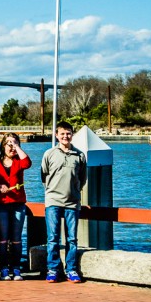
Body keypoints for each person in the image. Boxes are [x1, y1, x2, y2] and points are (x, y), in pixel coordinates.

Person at [40, 121, 86, 283]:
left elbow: (82, 178)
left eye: (68, 133)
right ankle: (53, 268)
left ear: (72, 135)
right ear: (56, 135)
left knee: (72, 239)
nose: (65, 136)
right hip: (53, 201)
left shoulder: (79, 155)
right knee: (53, 238)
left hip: (72, 203)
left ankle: (71, 269)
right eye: (62, 134)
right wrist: (52, 190)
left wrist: (74, 191)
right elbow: (44, 176)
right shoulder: (49, 154)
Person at [0, 133, 31, 280]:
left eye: (14, 143)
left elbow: (27, 163)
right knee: (3, 238)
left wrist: (17, 146)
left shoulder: (19, 161)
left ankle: (16, 269)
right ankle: (4, 269)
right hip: (0, 204)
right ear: (2, 145)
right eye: (8, 143)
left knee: (16, 238)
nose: (11, 146)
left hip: (18, 204)